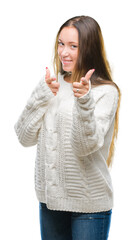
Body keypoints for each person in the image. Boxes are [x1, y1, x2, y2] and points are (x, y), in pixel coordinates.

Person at [14, 15, 121, 240]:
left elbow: (85, 147)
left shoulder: (105, 92)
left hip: (89, 208)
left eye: (73, 46)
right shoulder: (53, 85)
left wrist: (84, 102)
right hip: (50, 203)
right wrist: (40, 96)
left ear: (89, 49)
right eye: (61, 44)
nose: (63, 52)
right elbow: (24, 137)